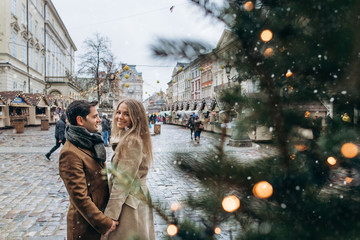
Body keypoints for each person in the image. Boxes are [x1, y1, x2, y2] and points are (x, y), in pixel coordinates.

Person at [59, 100, 118, 240]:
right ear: (80, 120)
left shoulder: (90, 141)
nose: (99, 120)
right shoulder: (70, 153)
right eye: (94, 116)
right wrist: (105, 223)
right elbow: (79, 197)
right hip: (85, 227)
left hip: (98, 217)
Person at [102, 98, 155, 240]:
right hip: (135, 200)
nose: (120, 116)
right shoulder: (131, 137)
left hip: (129, 204)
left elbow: (122, 183)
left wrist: (110, 217)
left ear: (136, 117)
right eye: (118, 112)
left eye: (126, 114)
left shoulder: (132, 141)